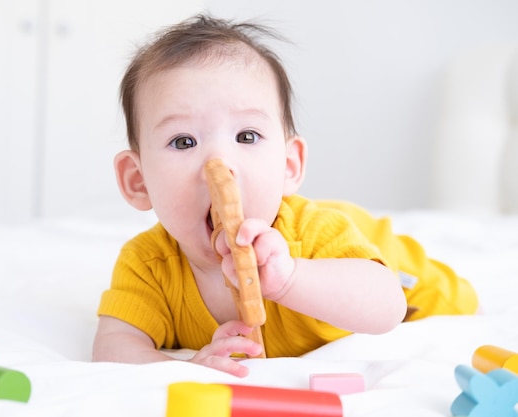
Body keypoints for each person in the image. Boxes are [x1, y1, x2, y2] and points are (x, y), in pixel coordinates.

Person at [92, 14, 478, 377]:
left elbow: (387, 307)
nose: (219, 164)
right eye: (183, 141)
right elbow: (114, 345)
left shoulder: (313, 234)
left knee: (450, 298)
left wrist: (291, 279)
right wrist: (189, 366)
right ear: (138, 181)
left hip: (387, 264)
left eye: (247, 136)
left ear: (289, 165)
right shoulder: (148, 265)